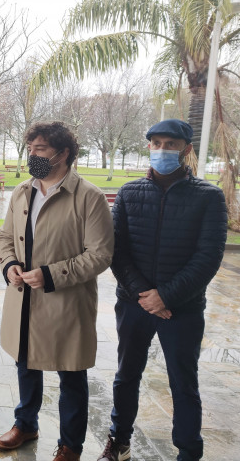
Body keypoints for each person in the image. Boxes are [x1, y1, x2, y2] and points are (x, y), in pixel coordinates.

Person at [97, 119, 227, 461]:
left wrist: (166, 297)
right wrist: (145, 294)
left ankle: (188, 451)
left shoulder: (209, 197)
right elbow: (117, 251)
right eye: (155, 143)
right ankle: (119, 441)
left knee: (183, 382)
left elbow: (208, 257)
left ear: (186, 149)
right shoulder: (129, 193)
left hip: (181, 308)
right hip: (134, 304)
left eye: (170, 144)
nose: (161, 150)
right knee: (126, 376)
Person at [0, 122, 114, 461]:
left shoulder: (88, 197)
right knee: (26, 364)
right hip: (23, 298)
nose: (32, 155)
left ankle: (70, 445)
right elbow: (5, 238)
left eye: (41, 149)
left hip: (66, 302)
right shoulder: (22, 192)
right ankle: (26, 423)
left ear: (63, 154)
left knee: (71, 373)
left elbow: (100, 254)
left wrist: (51, 275)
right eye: (30, 148)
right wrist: (9, 266)